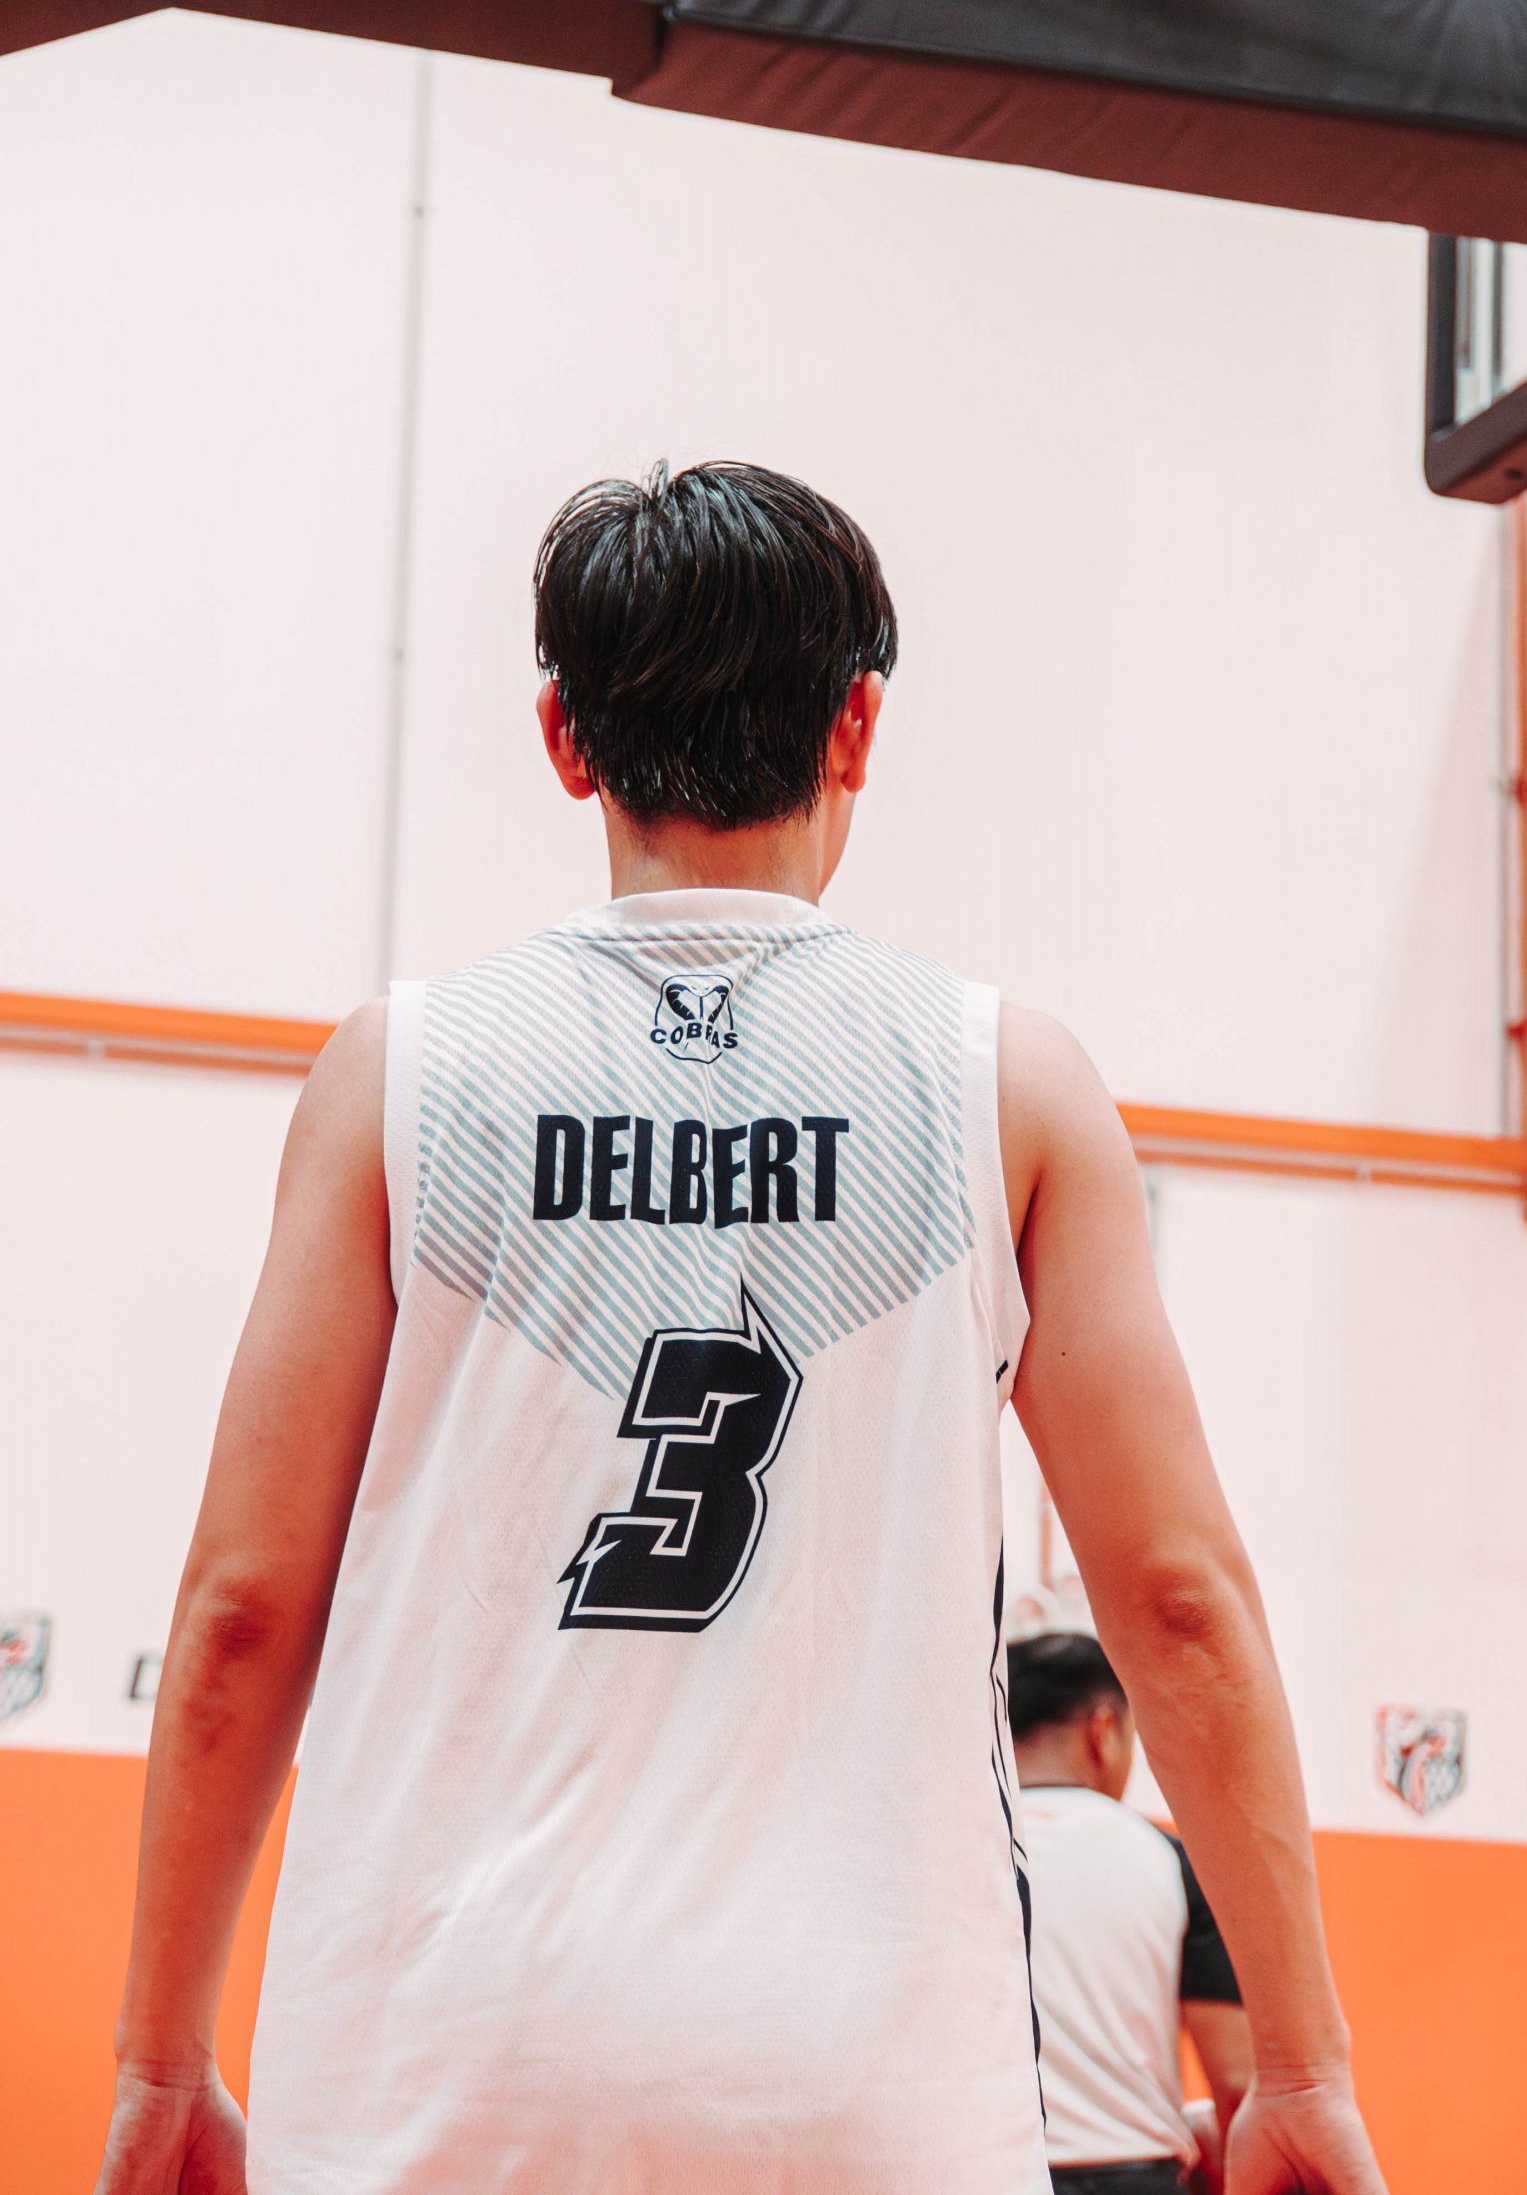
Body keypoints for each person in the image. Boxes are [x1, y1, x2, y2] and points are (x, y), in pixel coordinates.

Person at [93, 460, 1386, 2195]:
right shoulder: (1005, 1085)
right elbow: (1175, 1602)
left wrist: (161, 2054)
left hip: (432, 2061)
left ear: (564, 738)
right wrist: (1296, 2064)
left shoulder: (395, 1079)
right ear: (858, 725)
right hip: (867, 2081)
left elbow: (245, 1614)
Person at [1010, 1633, 1253, 2195]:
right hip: (1136, 2176)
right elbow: (1238, 2084)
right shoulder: (1171, 1859)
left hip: (986, 2171)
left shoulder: (950, 1853)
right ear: (1103, 1730)